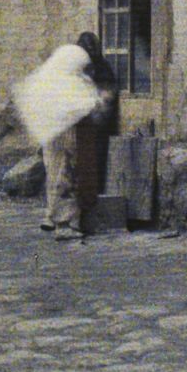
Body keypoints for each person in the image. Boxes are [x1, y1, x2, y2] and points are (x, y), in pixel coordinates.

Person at [38, 32, 117, 241]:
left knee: (64, 172)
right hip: (64, 127)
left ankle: (57, 218)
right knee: (64, 172)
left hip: (69, 127)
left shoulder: (80, 69)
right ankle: (62, 222)